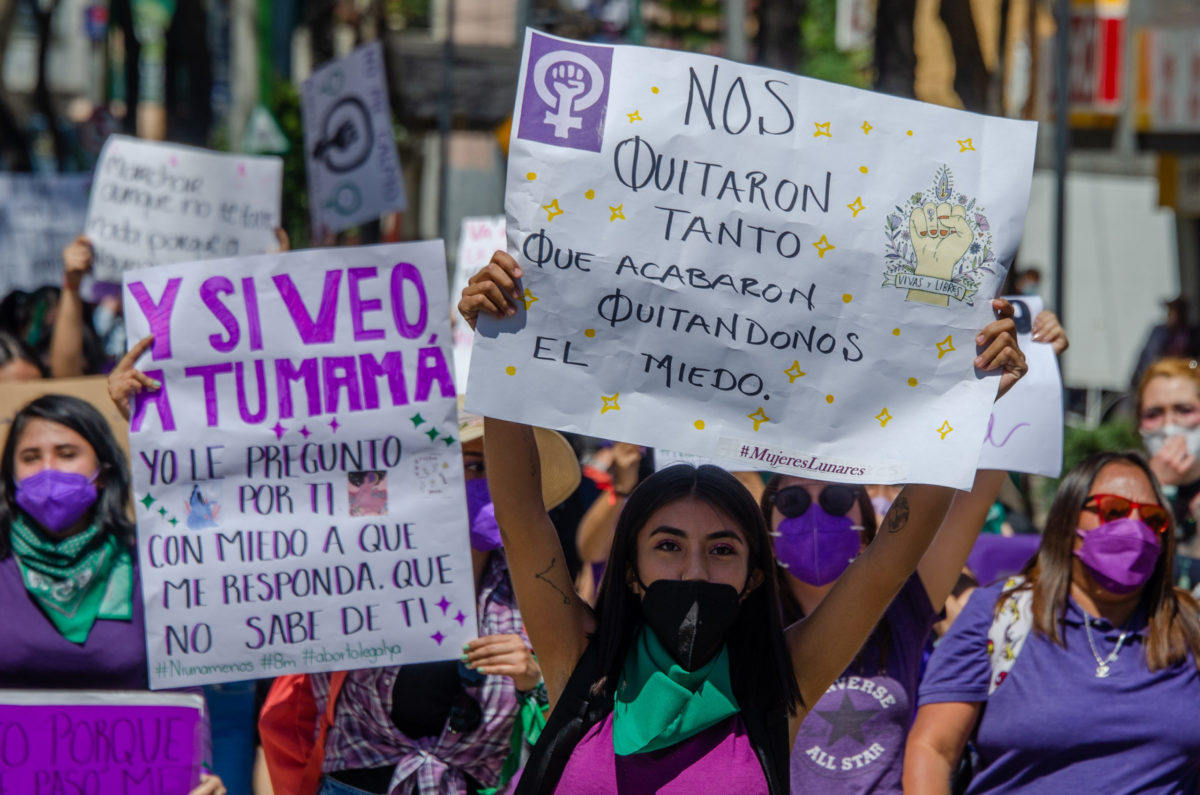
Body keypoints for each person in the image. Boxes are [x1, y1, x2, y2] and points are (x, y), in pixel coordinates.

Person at [457, 251, 1026, 793]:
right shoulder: (577, 658)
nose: (695, 568)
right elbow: (522, 513)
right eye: (668, 545)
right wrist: (499, 343)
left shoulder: (783, 684)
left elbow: (888, 561)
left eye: (723, 549)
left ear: (756, 574)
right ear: (631, 570)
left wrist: (968, 402)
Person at [303, 405, 579, 795]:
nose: (489, 484)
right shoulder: (366, 566)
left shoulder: (538, 585)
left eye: (501, 471)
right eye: (473, 465)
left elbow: (573, 709)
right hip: (359, 782)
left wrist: (531, 679)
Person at [905, 451, 1200, 793]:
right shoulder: (999, 613)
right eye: (1113, 511)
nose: (1135, 528)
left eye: (1152, 519)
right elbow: (933, 750)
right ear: (1067, 518)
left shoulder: (1190, 627)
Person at [0, 393, 225, 795]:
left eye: (66, 453)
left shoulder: (150, 568)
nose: (47, 470)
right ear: (11, 475)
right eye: (31, 457)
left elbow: (183, 690)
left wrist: (199, 774)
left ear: (101, 471)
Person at [764, 467, 1007, 793]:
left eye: (836, 499)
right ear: (767, 534)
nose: (815, 514)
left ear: (866, 530)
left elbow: (974, 498)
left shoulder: (903, 610)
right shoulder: (753, 627)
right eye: (792, 502)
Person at [1136, 357, 1200, 552]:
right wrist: (1152, 487)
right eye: (1154, 414)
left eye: (1184, 410)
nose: (1169, 425)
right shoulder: (1124, 484)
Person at [1132, 298, 1200, 388]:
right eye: (1171, 312)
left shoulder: (1192, 334)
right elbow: (1147, 357)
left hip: (1185, 377)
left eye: (1178, 313)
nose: (1174, 316)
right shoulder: (1159, 332)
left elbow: (1194, 361)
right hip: (1161, 376)